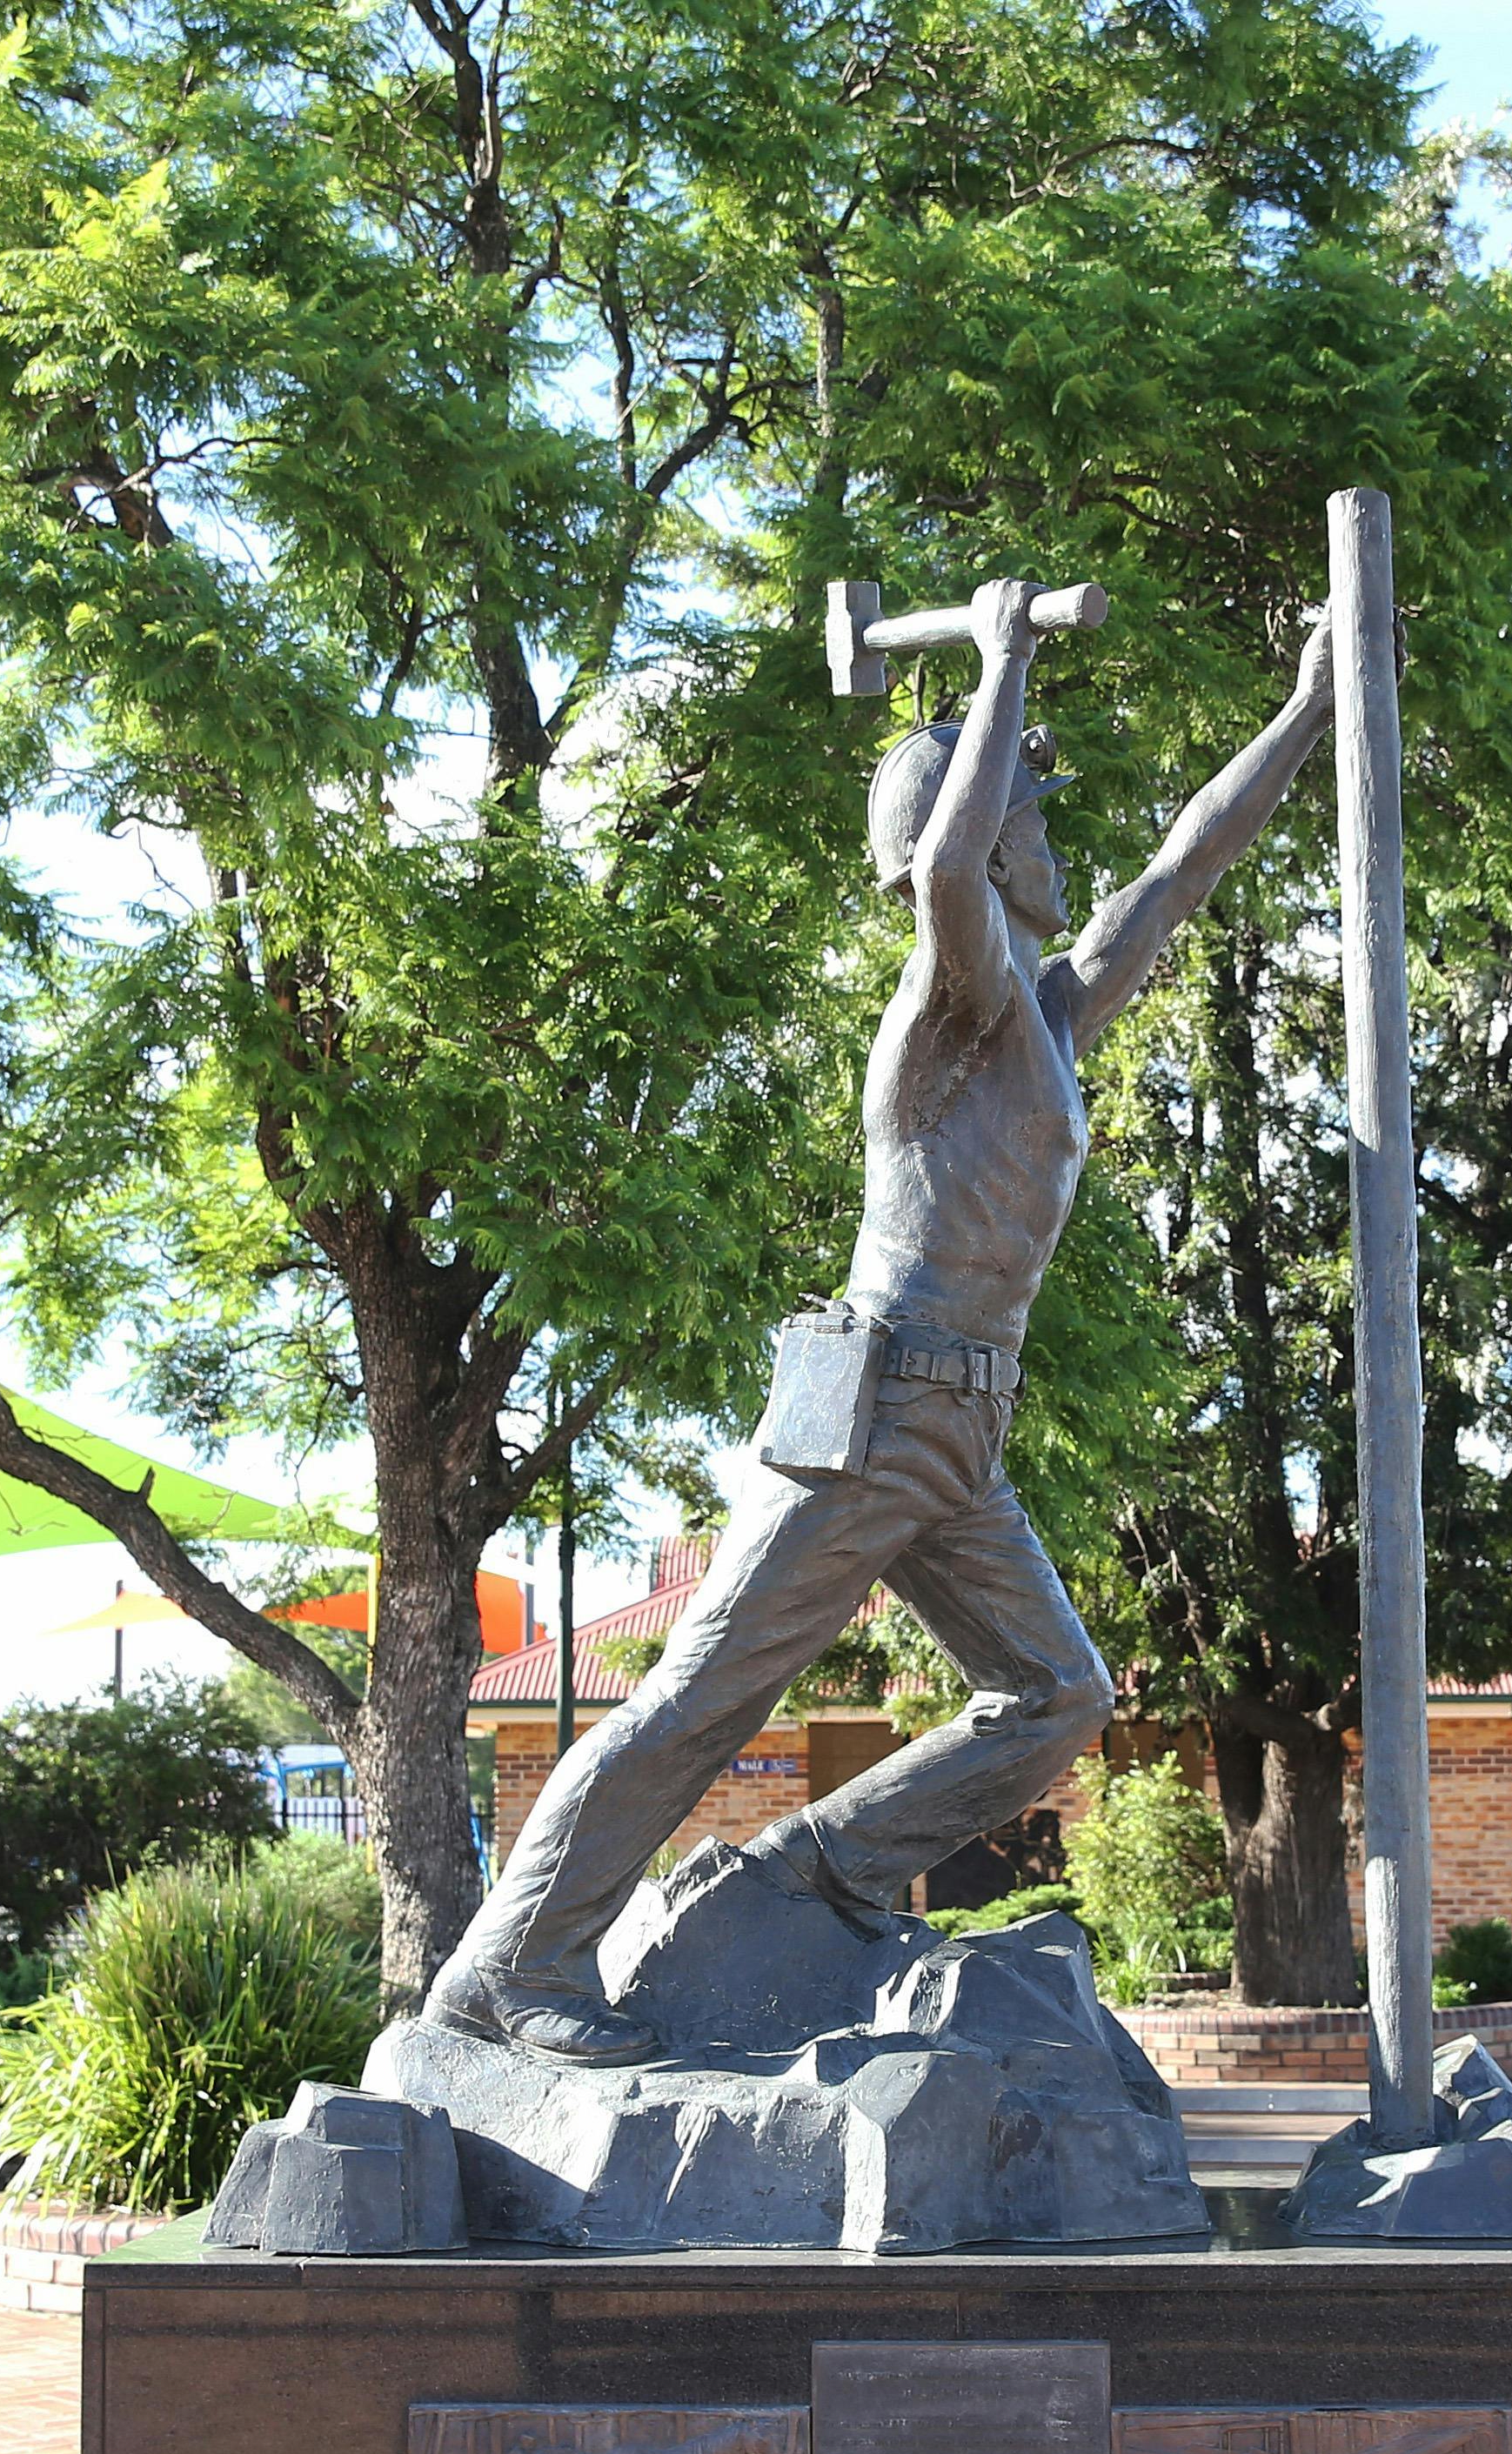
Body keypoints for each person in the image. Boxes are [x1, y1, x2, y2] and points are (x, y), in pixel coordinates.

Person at [425, 579, 1342, 2062]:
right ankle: (505, 1973)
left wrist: (1302, 708)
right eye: (1021, 815)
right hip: (873, 1409)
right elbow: (936, 881)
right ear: (972, 840)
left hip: (960, 1429)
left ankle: (814, 1869)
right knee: (702, 1698)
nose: (1052, 839)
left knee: (1055, 1695)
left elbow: (1180, 872)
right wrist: (1002, 656)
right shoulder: (948, 1002)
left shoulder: (1043, 1015)